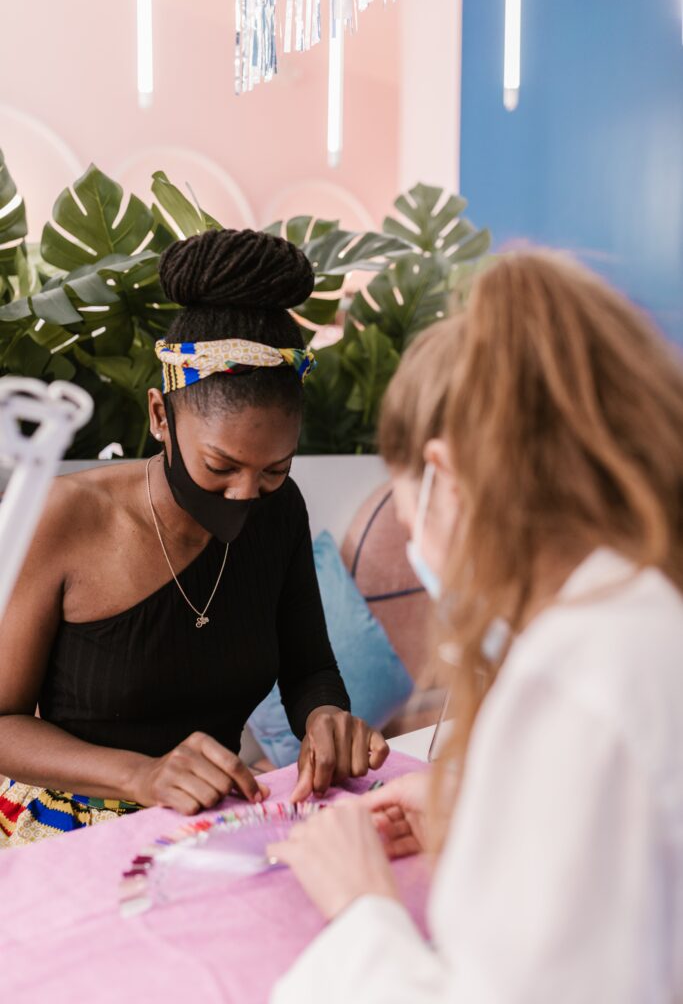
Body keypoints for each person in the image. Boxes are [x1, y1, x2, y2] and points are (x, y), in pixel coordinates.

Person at [268, 250, 683, 1002]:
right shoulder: (644, 618)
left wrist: (362, 906)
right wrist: (489, 813)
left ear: (443, 476)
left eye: (404, 511)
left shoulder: (577, 681)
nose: (417, 547)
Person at [0, 227, 388, 847]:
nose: (244, 496)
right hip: (59, 833)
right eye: (221, 467)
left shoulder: (279, 511)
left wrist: (325, 718)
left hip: (208, 829)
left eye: (274, 469)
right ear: (161, 416)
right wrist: (141, 775)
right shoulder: (66, 516)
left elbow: (308, 665)